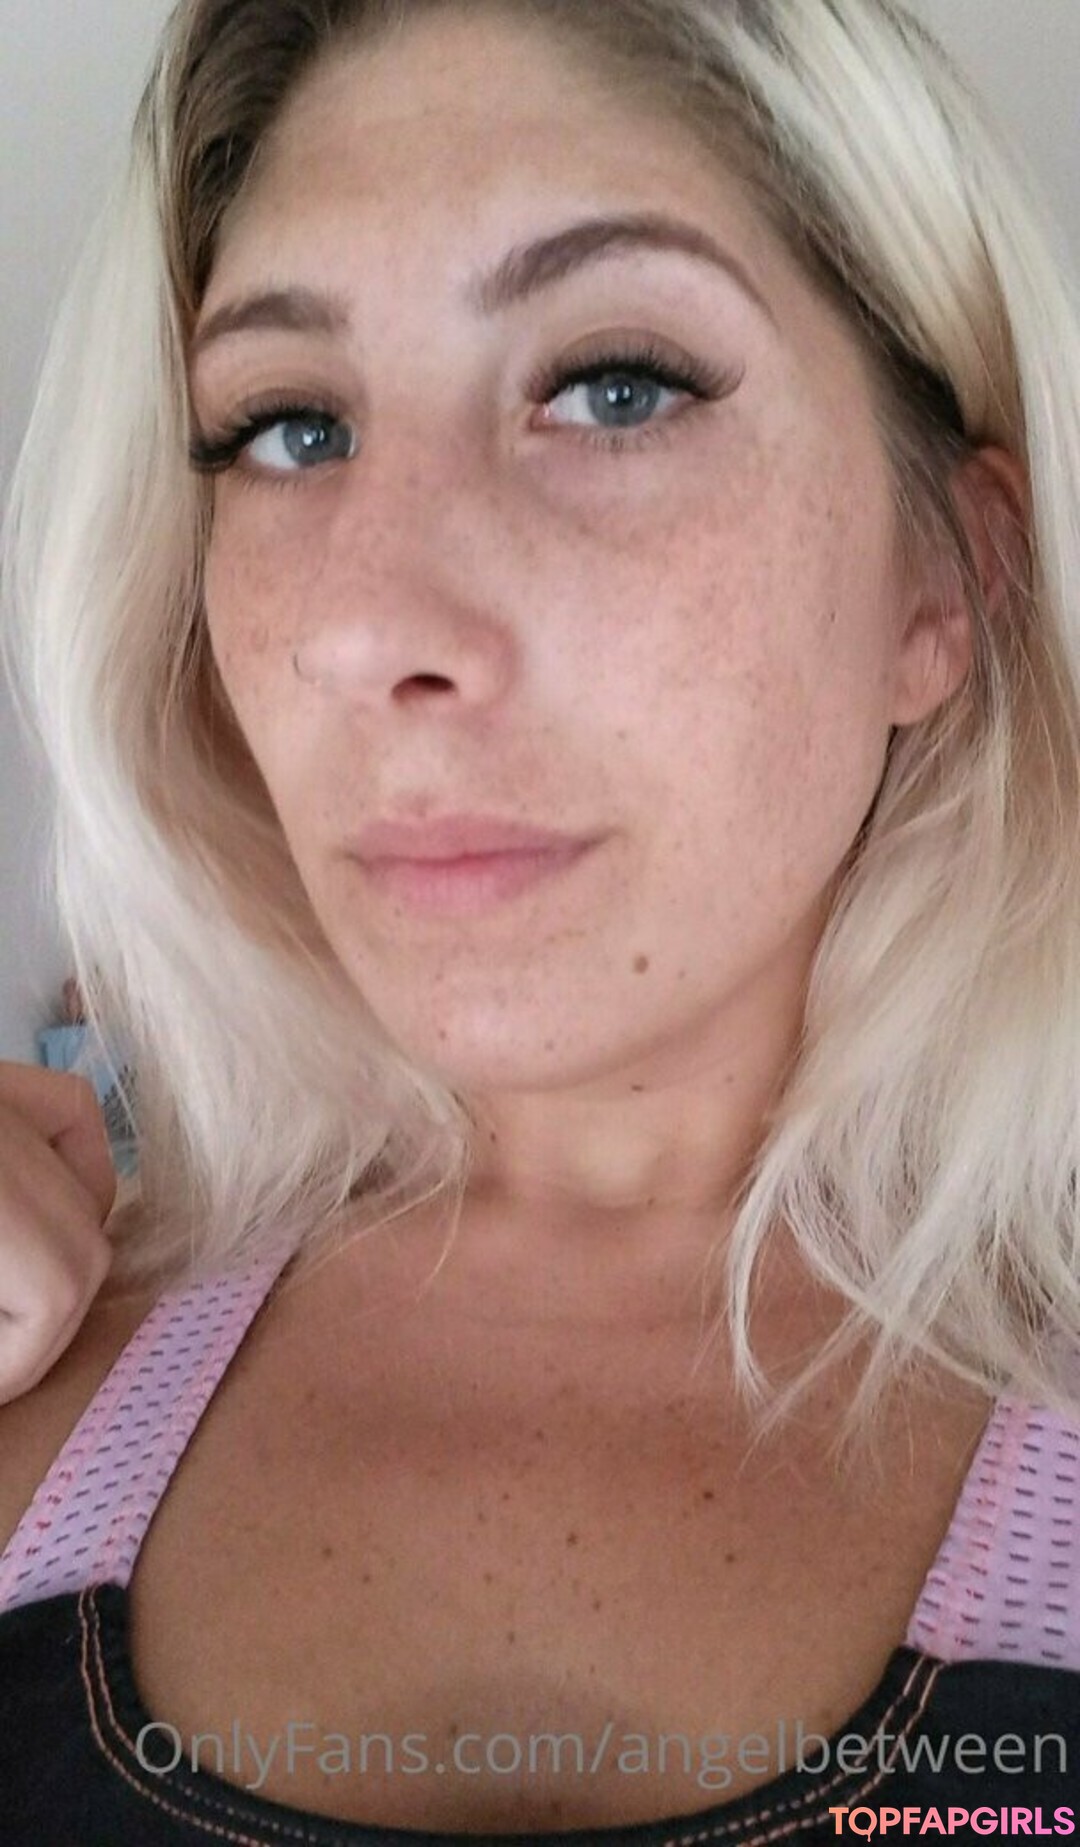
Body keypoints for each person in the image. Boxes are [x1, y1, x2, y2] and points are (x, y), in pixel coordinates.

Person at [1, 0, 1079, 1835]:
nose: (370, 625)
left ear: (943, 579)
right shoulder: (42, 1362)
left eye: (614, 388)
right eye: (289, 426)